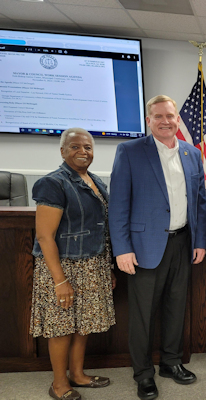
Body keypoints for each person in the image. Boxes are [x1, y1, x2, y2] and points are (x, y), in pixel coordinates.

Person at [109, 95, 206, 400]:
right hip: (143, 247)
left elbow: (200, 203)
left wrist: (200, 240)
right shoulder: (130, 151)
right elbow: (118, 204)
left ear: (178, 119)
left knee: (176, 308)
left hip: (182, 242)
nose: (166, 121)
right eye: (159, 116)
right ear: (149, 120)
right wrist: (121, 249)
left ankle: (171, 362)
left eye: (171, 116)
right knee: (142, 314)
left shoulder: (192, 153)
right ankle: (143, 374)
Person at [30, 128, 116, 400]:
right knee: (61, 327)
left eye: (88, 147)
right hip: (63, 268)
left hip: (92, 265)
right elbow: (44, 236)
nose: (83, 152)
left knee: (83, 324)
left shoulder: (94, 180)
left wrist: (108, 268)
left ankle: (77, 374)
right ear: (62, 151)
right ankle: (59, 384)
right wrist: (59, 280)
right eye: (75, 147)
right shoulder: (53, 183)